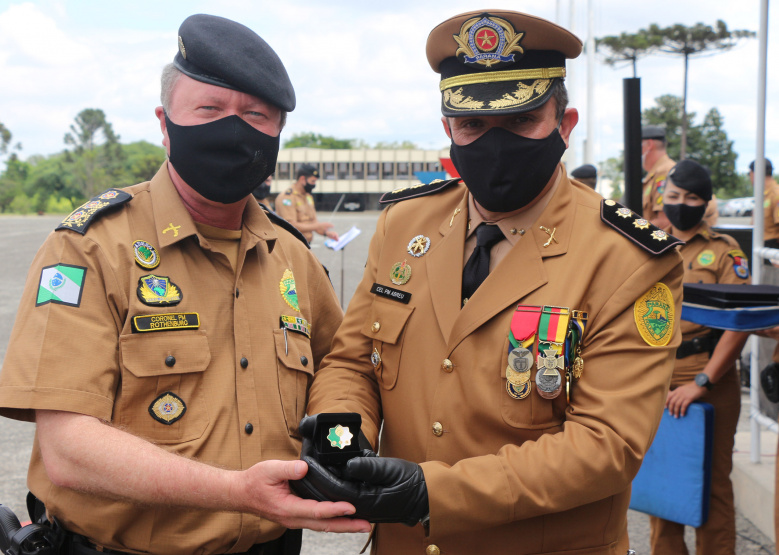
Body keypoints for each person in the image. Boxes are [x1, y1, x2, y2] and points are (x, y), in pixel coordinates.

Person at [293, 9, 684, 554]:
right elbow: (353, 361)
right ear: (448, 129)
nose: (494, 145)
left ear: (565, 124)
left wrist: (432, 493)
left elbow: (606, 445)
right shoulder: (405, 224)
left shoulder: (628, 259)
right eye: (473, 125)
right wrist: (342, 437)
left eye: (521, 121)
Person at [0, 14, 369, 555]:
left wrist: (345, 449)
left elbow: (343, 371)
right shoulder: (92, 248)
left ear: (277, 133)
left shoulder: (291, 257)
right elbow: (68, 450)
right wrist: (236, 492)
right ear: (165, 124)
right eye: (209, 110)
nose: (233, 130)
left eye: (255, 115)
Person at [647, 160, 750, 555]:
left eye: (691, 198)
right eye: (673, 196)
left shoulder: (724, 251)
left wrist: (702, 382)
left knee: (713, 483)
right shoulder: (648, 244)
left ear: (706, 202)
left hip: (710, 378)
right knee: (662, 480)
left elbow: (738, 322)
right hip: (659, 378)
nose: (680, 204)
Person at [275, 164, 339, 244]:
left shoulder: (308, 196)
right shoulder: (287, 197)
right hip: (292, 245)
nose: (314, 185)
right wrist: (318, 226)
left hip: (306, 243)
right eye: (312, 181)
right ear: (302, 179)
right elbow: (291, 225)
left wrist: (327, 233)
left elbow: (313, 222)